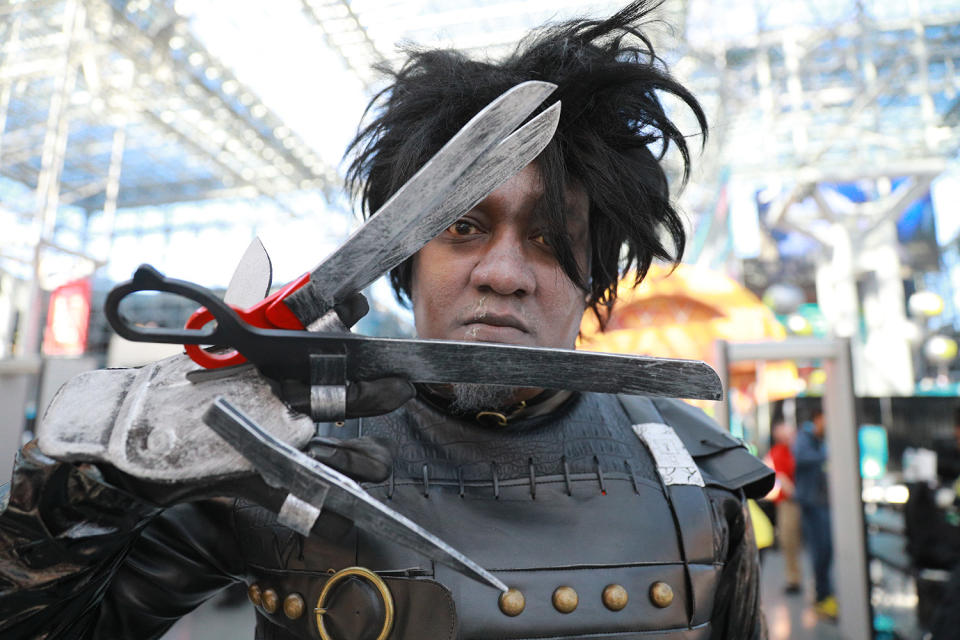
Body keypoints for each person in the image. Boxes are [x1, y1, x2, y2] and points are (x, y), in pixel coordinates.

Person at [0, 3, 774, 639]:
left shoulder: (695, 475)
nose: (503, 272)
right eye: (464, 227)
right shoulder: (278, 449)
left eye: (549, 237)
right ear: (403, 260)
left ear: (595, 275)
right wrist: (78, 491)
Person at [793, 408, 836, 619]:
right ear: (819, 417)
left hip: (822, 503)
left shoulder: (818, 440)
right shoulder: (805, 438)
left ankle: (826, 595)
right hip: (813, 505)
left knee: (826, 551)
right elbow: (801, 458)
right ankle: (822, 596)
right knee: (821, 551)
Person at [766, 420, 802, 594]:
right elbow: (783, 477)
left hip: (798, 501)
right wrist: (796, 494)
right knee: (789, 541)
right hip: (789, 502)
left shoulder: (797, 450)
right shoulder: (779, 452)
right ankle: (793, 578)